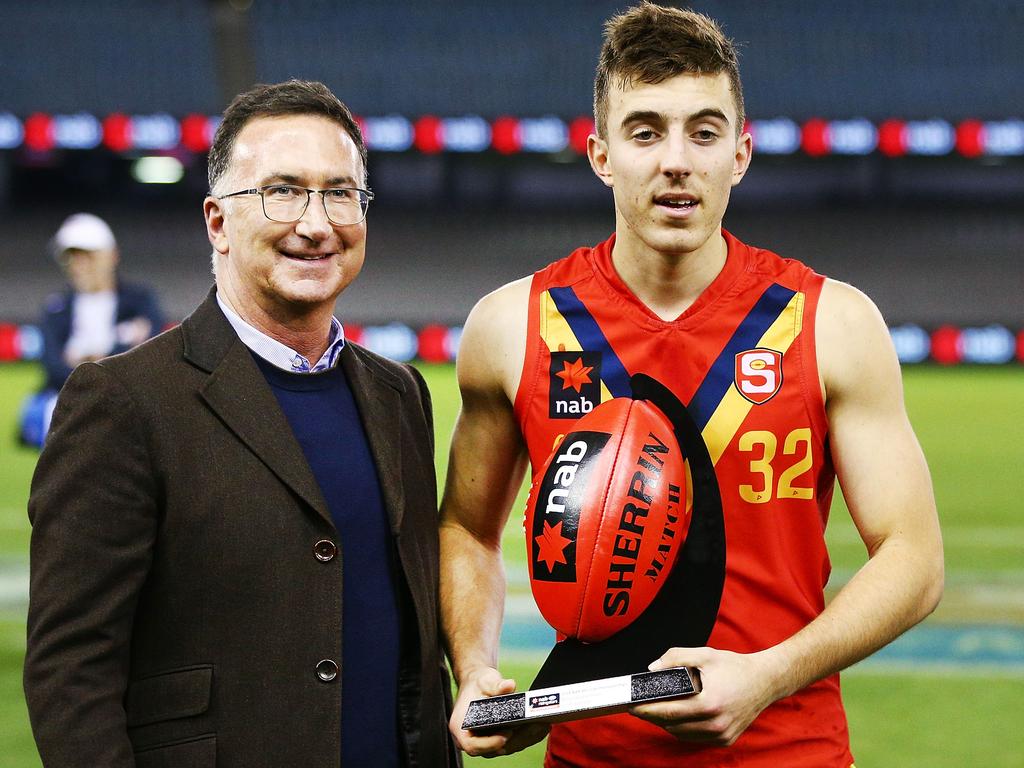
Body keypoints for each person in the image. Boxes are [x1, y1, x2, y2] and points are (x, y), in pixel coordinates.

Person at [439, 3, 944, 766]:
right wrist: (477, 671)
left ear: (739, 154)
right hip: (591, 755)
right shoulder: (514, 326)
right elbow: (469, 531)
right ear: (601, 154)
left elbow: (914, 557)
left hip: (790, 752)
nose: (677, 160)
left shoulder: (832, 322)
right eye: (645, 132)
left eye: (703, 133)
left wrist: (768, 677)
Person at [25, 80, 458, 767]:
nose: (317, 222)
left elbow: (412, 650)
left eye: (340, 192)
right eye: (282, 191)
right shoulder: (122, 401)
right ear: (218, 222)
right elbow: (70, 675)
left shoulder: (398, 393)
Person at [17, 213, 162, 447]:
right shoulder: (56, 308)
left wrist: (85, 361)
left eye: (88, 256)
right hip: (67, 397)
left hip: (126, 396)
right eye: (72, 258)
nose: (78, 266)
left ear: (111, 256)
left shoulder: (140, 301)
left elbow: (150, 355)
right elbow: (52, 366)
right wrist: (112, 355)